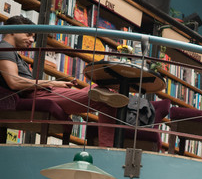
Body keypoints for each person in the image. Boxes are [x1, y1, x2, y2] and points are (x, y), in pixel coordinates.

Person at [0, 15, 129, 144]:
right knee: (106, 101)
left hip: (41, 92)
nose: (31, 40)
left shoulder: (11, 51)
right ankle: (107, 148)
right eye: (28, 35)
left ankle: (104, 92)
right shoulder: (5, 48)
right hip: (36, 95)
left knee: (97, 89)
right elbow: (14, 82)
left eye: (33, 36)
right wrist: (53, 82)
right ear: (13, 30)